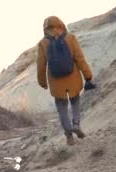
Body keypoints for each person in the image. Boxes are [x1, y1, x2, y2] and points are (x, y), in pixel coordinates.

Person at [37, 16, 93, 146]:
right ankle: (76, 124)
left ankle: (69, 135)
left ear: (45, 28)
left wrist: (42, 82)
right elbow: (80, 58)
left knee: (62, 108)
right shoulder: (70, 38)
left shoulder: (43, 43)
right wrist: (88, 76)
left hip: (56, 81)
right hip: (73, 78)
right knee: (75, 102)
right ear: (61, 24)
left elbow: (41, 65)